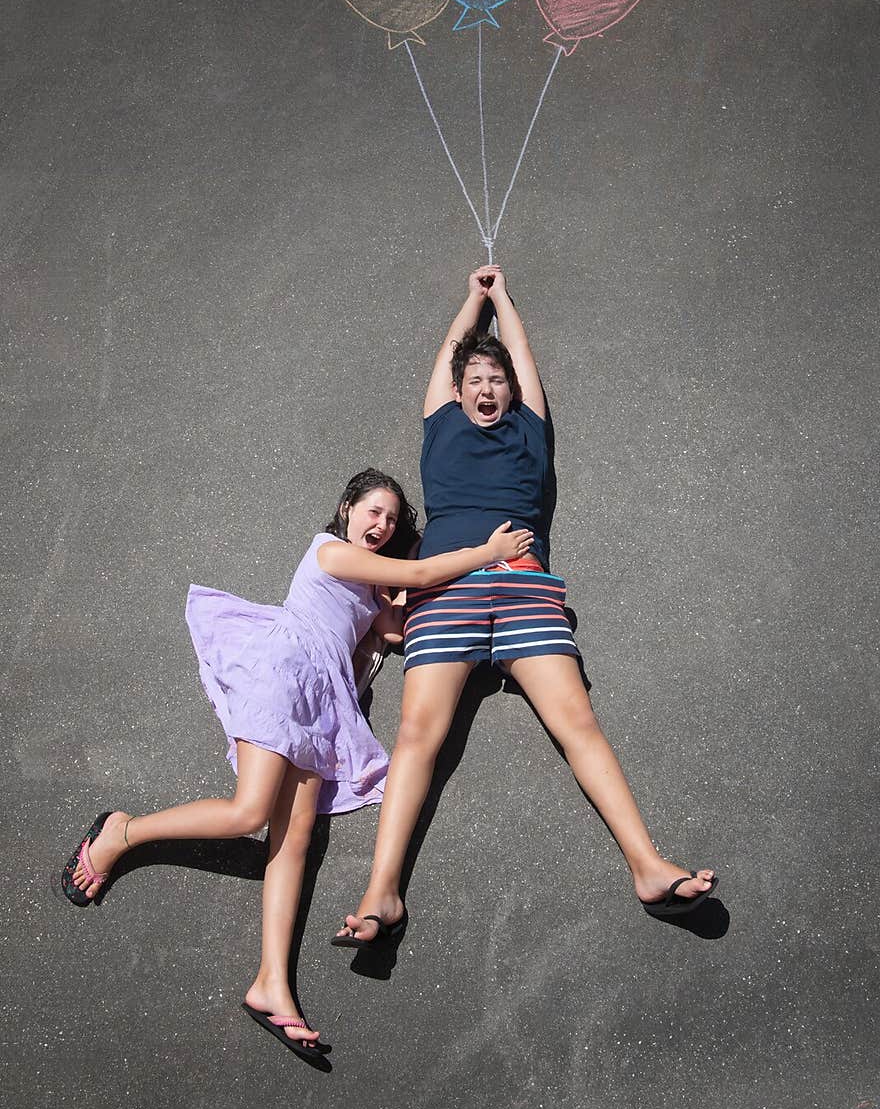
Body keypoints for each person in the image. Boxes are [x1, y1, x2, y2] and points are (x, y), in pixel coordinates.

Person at [60, 468, 535, 1064]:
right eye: (372, 512)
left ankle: (271, 984)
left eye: (390, 521)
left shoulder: (369, 588)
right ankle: (121, 833)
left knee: (295, 840)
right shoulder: (331, 553)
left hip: (321, 699)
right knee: (250, 812)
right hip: (285, 669)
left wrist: (415, 577)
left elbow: (396, 622)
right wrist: (486, 552)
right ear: (345, 510)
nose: (380, 525)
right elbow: (414, 576)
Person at [333, 269, 717, 951]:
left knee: (578, 724)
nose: (486, 389)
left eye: (496, 380)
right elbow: (450, 351)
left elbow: (524, 360)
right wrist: (471, 300)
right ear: (458, 390)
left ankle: (649, 868)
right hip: (446, 587)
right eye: (475, 380)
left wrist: (503, 300)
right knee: (419, 737)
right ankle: (381, 894)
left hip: (522, 585)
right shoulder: (441, 422)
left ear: (511, 389)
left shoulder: (530, 431)